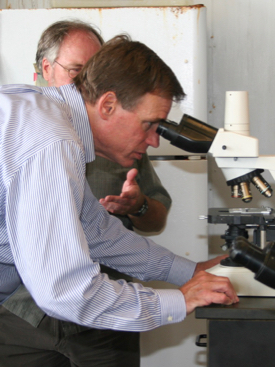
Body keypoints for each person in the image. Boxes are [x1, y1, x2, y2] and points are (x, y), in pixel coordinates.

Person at [0, 35, 238, 367]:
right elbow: (64, 290)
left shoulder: (49, 118)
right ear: (108, 104)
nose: (154, 140)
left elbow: (96, 231)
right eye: (149, 124)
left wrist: (190, 271)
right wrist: (176, 301)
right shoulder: (51, 140)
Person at [31, 20, 173, 366]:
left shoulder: (121, 138)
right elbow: (56, 270)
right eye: (79, 72)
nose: (92, 85)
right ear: (47, 69)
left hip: (104, 313)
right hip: (25, 315)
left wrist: (138, 206)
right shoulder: (35, 136)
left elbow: (119, 227)